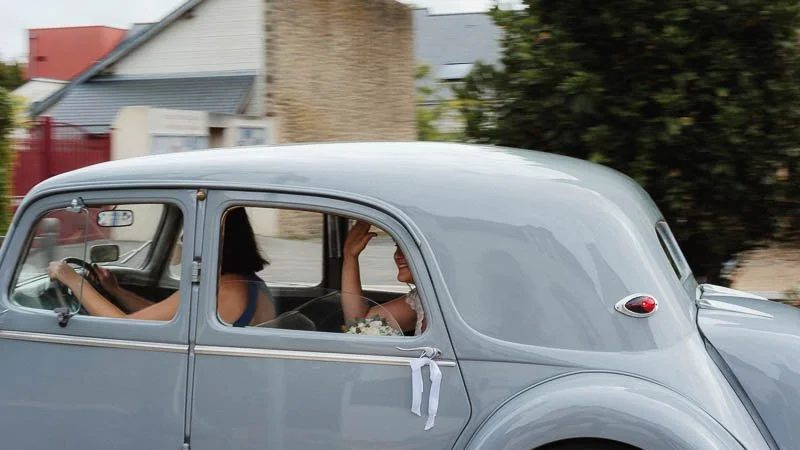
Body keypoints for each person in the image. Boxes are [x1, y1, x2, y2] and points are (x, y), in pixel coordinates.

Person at [48, 207, 275, 326]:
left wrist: (74, 281)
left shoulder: (218, 291)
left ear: (217, 237)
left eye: (193, 230)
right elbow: (163, 315)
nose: (185, 238)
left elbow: (124, 327)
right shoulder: (249, 283)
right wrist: (116, 291)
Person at [341, 220, 425, 335]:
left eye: (407, 247)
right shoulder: (421, 299)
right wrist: (350, 256)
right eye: (397, 245)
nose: (397, 255)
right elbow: (360, 327)